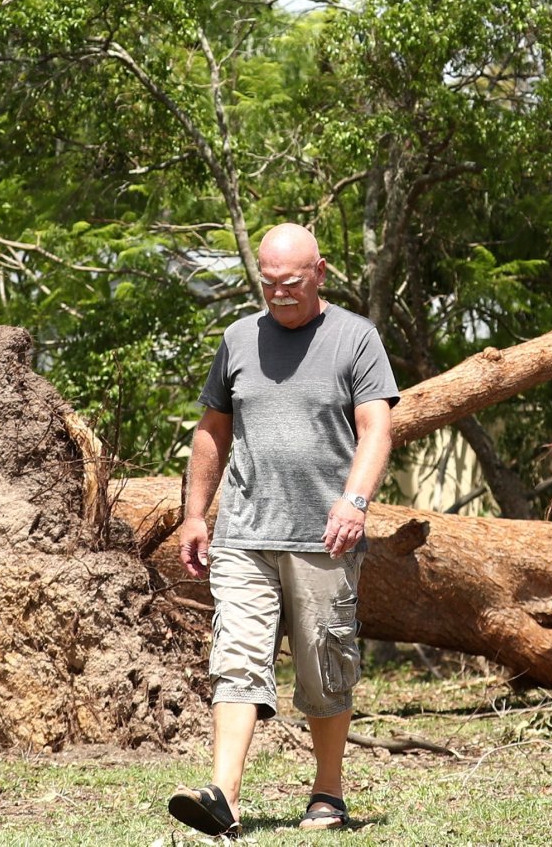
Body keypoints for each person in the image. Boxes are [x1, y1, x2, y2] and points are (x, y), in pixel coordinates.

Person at [167, 223, 398, 836]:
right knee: (235, 655)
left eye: (291, 283)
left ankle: (328, 792)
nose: (279, 294)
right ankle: (225, 797)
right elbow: (212, 430)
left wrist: (355, 503)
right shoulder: (239, 338)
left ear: (319, 272)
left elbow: (377, 429)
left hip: (325, 535)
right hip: (245, 532)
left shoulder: (356, 338)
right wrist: (195, 514)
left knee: (325, 665)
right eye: (268, 284)